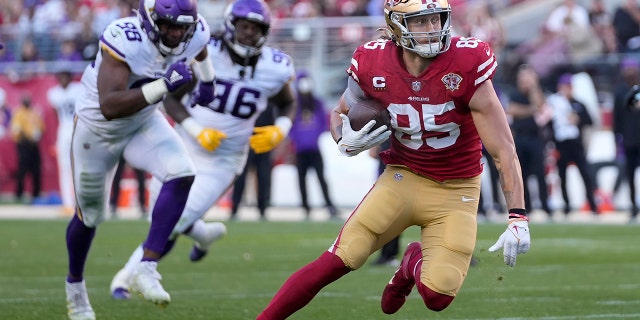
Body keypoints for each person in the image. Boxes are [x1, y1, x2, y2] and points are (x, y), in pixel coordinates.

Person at [256, 1, 530, 319]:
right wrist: (343, 139)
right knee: (339, 259)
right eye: (421, 22)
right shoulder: (373, 61)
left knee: (437, 295)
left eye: (436, 19)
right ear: (397, 25)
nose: (432, 29)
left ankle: (411, 262)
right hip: (402, 178)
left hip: (456, 190)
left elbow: (503, 149)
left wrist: (518, 217)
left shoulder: (466, 61)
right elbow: (339, 112)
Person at [109, 0, 296, 300]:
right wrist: (197, 129)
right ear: (231, 25)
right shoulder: (206, 55)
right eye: (245, 26)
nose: (249, 33)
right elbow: (170, 99)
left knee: (174, 221)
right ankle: (203, 234)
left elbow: (288, 102)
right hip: (184, 146)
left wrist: (281, 129)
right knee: (161, 217)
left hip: (224, 160)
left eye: (256, 28)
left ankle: (127, 277)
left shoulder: (275, 66)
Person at [64, 0, 216, 319]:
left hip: (143, 121)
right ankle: (75, 288)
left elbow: (201, 48)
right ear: (149, 21)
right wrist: (165, 85)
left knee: (181, 173)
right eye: (169, 26)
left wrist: (208, 81)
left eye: (182, 27)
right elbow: (109, 105)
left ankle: (146, 267)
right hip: (98, 129)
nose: (177, 34)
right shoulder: (123, 37)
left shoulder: (195, 30)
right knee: (89, 216)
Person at [547, 73, 599, 216]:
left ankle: (593, 205)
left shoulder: (578, 104)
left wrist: (578, 119)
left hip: (576, 144)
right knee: (562, 176)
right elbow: (548, 123)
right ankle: (566, 205)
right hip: (561, 145)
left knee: (585, 174)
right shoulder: (554, 104)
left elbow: (590, 120)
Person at [289, 69, 338, 220]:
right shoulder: (294, 104)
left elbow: (323, 123)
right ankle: (305, 208)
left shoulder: (316, 103)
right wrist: (297, 140)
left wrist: (313, 137)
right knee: (301, 180)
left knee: (321, 179)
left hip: (314, 148)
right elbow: (290, 125)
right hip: (300, 150)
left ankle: (330, 206)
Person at [507, 65, 553, 217]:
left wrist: (533, 87)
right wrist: (531, 109)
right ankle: (527, 207)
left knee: (540, 173)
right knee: (522, 175)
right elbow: (513, 109)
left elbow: (540, 106)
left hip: (535, 138)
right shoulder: (514, 94)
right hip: (519, 137)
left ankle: (546, 207)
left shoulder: (536, 92)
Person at [230, 104, 276, 221]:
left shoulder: (269, 100)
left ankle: (262, 208)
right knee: (241, 175)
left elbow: (272, 121)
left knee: (263, 176)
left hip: (263, 141)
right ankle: (235, 207)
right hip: (246, 141)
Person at [47, 68, 83, 214]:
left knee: (79, 167)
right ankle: (68, 203)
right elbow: (56, 114)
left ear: (70, 77)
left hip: (78, 129)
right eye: (61, 76)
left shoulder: (78, 89)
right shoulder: (53, 93)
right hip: (63, 130)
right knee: (64, 167)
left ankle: (80, 201)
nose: (63, 79)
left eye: (66, 76)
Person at [615, 59, 640, 222]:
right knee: (630, 175)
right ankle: (633, 206)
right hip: (629, 140)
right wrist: (617, 140)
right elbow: (617, 118)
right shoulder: (620, 92)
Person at [10, 95, 44, 203]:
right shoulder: (19, 113)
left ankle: (36, 193)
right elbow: (17, 129)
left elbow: (42, 128)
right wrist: (29, 138)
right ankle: (19, 193)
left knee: (36, 169)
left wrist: (37, 136)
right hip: (24, 145)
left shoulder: (34, 113)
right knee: (22, 169)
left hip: (34, 145)